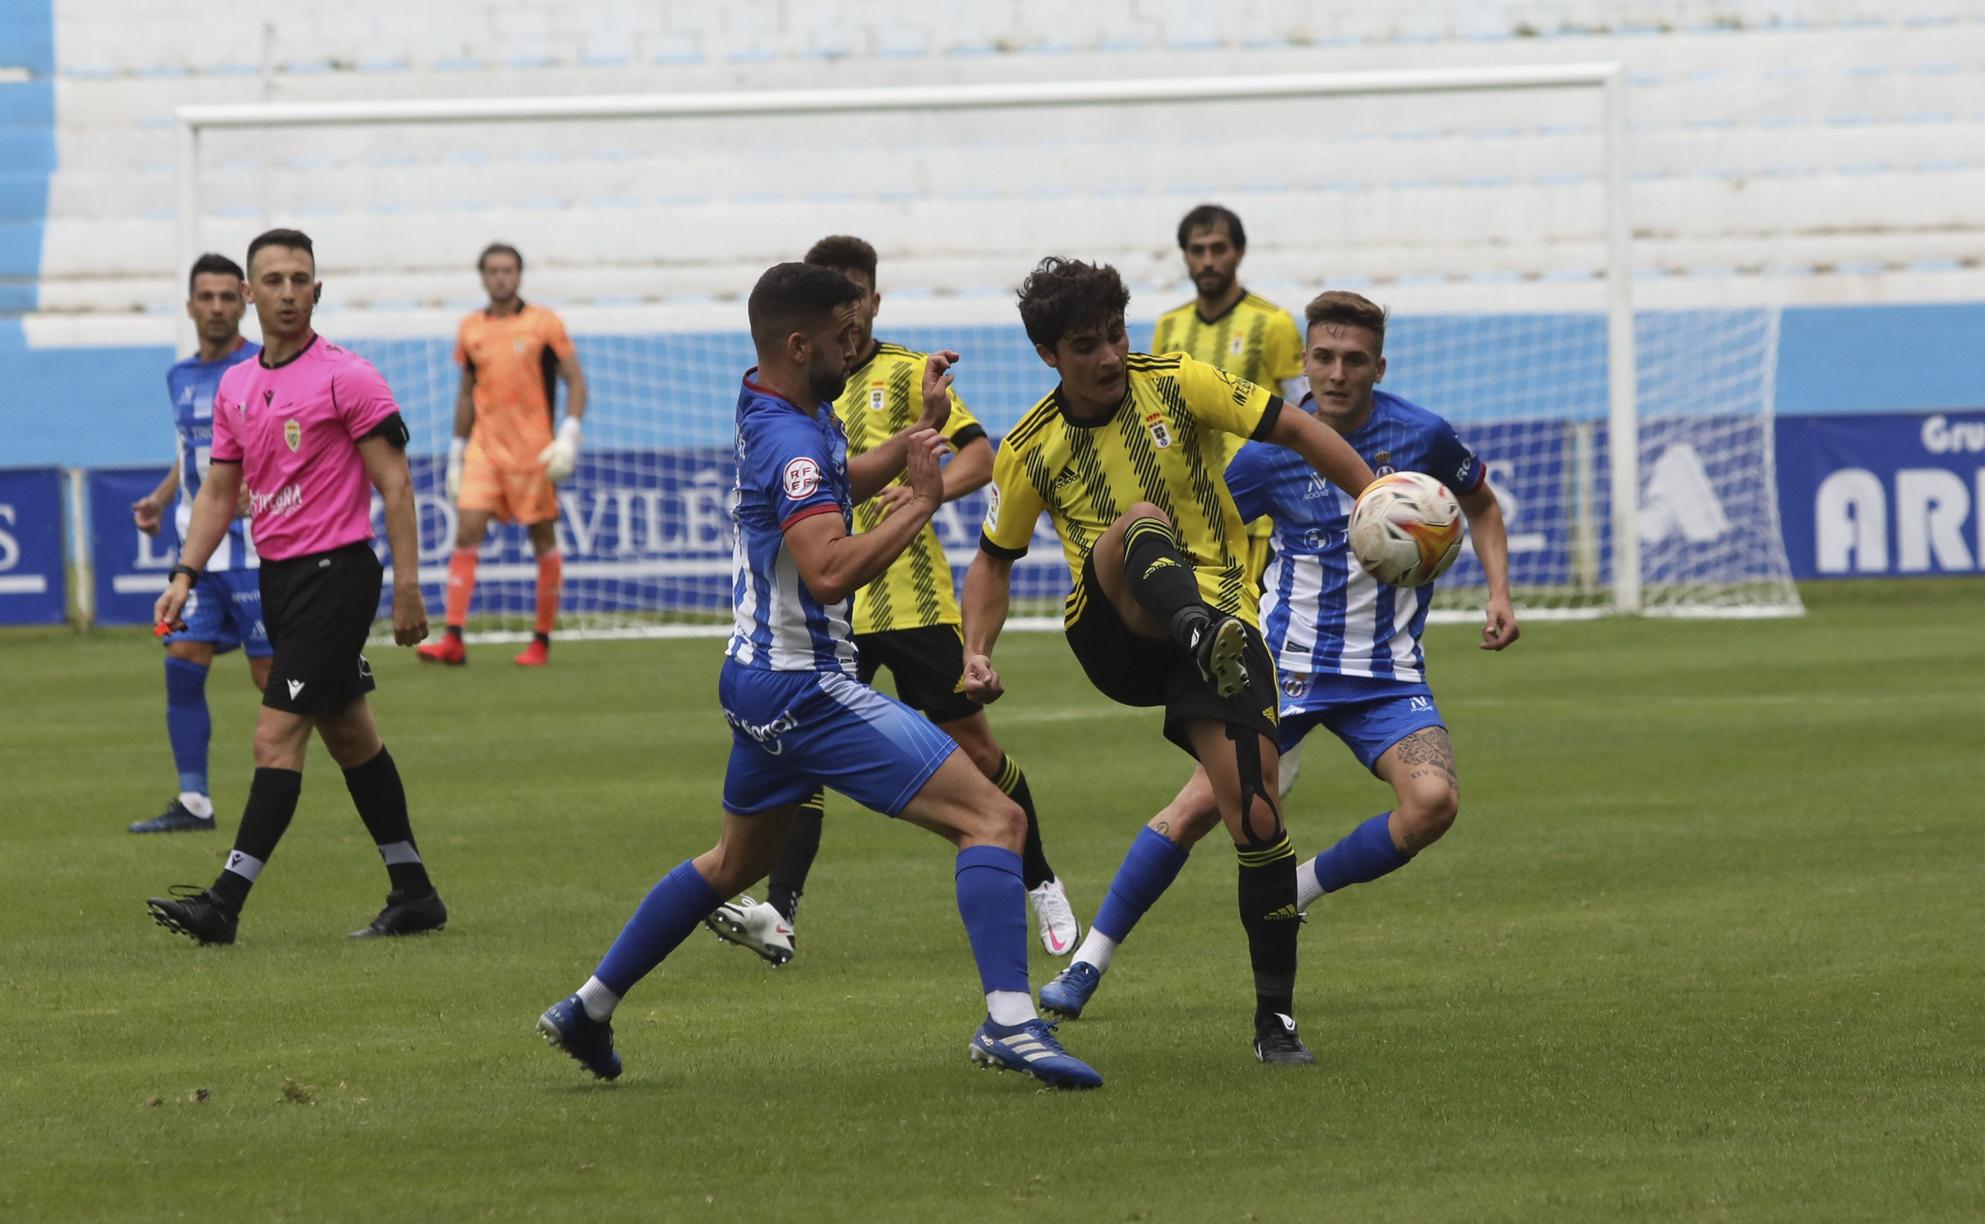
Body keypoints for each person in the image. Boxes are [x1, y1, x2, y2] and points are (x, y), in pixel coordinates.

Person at [535, 262, 1100, 1090]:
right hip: (804, 686)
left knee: (732, 863)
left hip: (753, 675)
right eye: (844, 336)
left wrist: (912, 443)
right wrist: (921, 500)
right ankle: (1010, 1023)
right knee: (995, 819)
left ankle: (587, 1008)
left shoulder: (780, 403)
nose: (858, 343)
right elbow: (830, 570)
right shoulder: (795, 437)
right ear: (802, 344)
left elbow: (833, 480)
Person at [1038, 290, 1520, 1027]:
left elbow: (1480, 504)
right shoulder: (1268, 457)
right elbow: (1202, 531)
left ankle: (1296, 890)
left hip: (1387, 676)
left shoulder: (1423, 438)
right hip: (1286, 669)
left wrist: (1499, 593)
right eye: (1322, 356)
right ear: (1303, 361)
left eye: (1354, 359)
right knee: (1197, 806)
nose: (1336, 372)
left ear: (1377, 365)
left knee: (1434, 805)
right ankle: (1087, 962)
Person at [960, 258, 1376, 1066]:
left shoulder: (1180, 381)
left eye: (1116, 334)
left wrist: (1373, 496)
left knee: (1256, 818)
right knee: (1142, 520)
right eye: (1087, 345)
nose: (1111, 356)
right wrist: (976, 652)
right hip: (1114, 627)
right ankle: (1195, 631)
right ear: (1050, 354)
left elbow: (1293, 426)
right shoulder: (1031, 446)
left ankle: (1275, 1022)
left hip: (1223, 620)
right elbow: (992, 564)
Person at [702, 235, 1077, 968]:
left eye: (858, 294)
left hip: (910, 600)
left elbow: (978, 454)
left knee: (976, 751)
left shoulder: (906, 371)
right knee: (797, 754)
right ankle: (780, 910)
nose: (851, 314)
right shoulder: (805, 399)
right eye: (835, 295)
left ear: (874, 300)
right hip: (835, 615)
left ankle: (1042, 883)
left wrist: (923, 486)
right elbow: (830, 485)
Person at [145, 228, 447, 945]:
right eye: (273, 280)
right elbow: (219, 491)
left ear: (318, 288)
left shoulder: (349, 375)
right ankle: (414, 890)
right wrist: (184, 575)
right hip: (278, 579)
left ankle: (224, 902)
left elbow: (395, 485)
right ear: (251, 294)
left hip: (337, 575)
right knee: (350, 736)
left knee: (274, 735)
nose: (287, 292)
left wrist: (408, 587)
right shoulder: (238, 387)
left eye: (299, 279)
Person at [128, 254, 269, 833]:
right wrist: (163, 499)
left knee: (274, 680)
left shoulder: (263, 369)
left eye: (226, 298)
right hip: (196, 554)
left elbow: (287, 447)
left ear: (242, 302)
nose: (216, 308)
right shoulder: (179, 376)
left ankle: (287, 790)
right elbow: (194, 454)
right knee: (182, 662)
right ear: (190, 306)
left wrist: (259, 489)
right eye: (205, 298)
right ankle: (194, 803)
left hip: (258, 555)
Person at [417, 243, 588, 667]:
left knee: (542, 539)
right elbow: (465, 392)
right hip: (485, 450)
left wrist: (567, 436)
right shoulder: (470, 327)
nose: (500, 277)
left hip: (534, 453)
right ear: (483, 276)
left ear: (519, 275)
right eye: (493, 270)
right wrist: (456, 452)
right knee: (467, 530)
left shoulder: (544, 323)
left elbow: (576, 382)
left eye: (508, 270)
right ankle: (453, 636)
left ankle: (541, 641)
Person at [1151, 203, 1307, 590]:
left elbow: (1306, 411)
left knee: (1250, 630)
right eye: (1197, 250)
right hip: (1188, 512)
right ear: (1185, 255)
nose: (1207, 260)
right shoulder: (1169, 327)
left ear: (1238, 251)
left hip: (1257, 516)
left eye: (1218, 248)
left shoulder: (1272, 323)